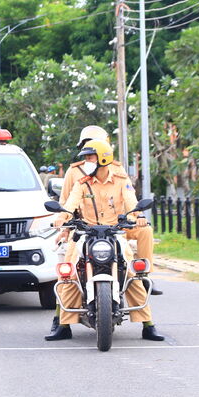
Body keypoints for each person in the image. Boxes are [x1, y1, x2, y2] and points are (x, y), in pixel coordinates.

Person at [47, 139, 164, 342]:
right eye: (85, 158)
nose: (86, 162)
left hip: (115, 233)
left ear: (103, 158)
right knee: (71, 273)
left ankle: (148, 325)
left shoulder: (120, 180)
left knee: (130, 272)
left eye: (90, 157)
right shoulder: (82, 183)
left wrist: (137, 216)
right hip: (86, 233)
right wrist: (61, 217)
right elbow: (70, 203)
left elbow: (130, 201)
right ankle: (64, 325)